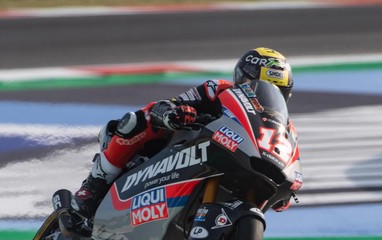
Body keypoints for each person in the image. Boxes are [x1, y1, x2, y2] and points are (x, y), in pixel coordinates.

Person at [71, 47, 295, 219]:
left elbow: (291, 160)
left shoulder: (286, 128)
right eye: (256, 84)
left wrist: (283, 187)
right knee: (138, 120)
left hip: (232, 165)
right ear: (241, 79)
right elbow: (170, 104)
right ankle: (94, 185)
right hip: (180, 150)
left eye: (277, 90)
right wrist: (173, 113)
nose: (260, 93)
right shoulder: (217, 90)